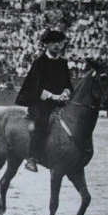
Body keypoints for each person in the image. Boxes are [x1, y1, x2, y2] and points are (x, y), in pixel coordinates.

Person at [15, 29, 73, 172]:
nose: (57, 45)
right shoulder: (39, 62)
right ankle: (31, 157)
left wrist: (66, 91)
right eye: (53, 43)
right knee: (42, 122)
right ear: (46, 45)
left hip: (59, 102)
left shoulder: (63, 63)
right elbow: (35, 87)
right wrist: (53, 96)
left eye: (59, 43)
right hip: (40, 102)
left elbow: (68, 83)